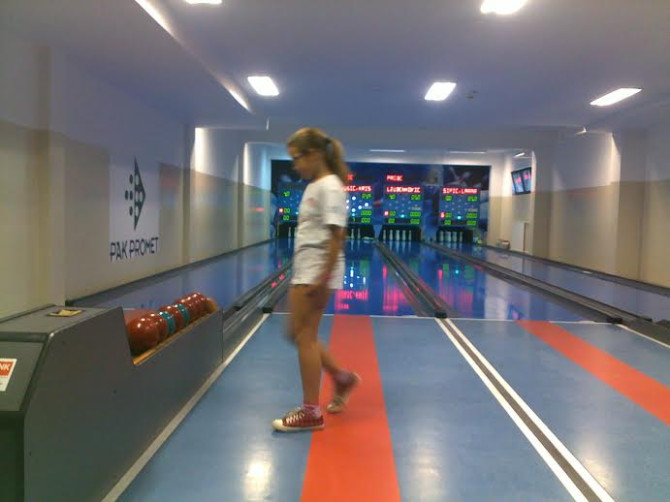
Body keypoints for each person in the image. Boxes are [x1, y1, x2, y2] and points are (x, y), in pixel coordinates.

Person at [273, 128, 361, 432]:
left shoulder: (331, 187)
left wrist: (322, 278)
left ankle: (311, 411)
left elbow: (338, 236)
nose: (295, 165)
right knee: (296, 334)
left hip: (317, 271)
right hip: (307, 268)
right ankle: (343, 378)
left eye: (297, 158)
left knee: (305, 337)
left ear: (314, 155)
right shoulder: (317, 185)